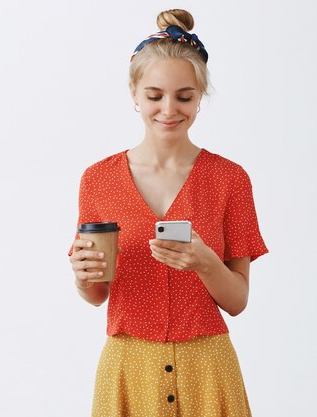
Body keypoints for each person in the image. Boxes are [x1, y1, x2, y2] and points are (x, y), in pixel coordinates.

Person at [67, 9, 268, 417]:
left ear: (201, 96)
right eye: (155, 96)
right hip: (127, 364)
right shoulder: (98, 178)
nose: (169, 109)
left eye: (185, 96)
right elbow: (96, 294)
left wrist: (207, 263)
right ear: (134, 94)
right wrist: (81, 275)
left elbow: (238, 301)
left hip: (208, 365)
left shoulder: (230, 179)